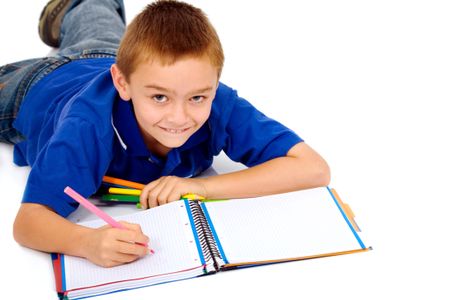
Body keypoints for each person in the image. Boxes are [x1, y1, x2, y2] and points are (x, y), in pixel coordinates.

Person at [0, 0, 330, 268]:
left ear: (214, 85)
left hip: (107, 56)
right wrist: (85, 242)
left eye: (198, 97)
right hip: (34, 87)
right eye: (160, 97)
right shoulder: (85, 128)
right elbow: (29, 221)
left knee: (97, 20)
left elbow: (313, 168)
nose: (179, 117)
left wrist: (200, 186)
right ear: (123, 84)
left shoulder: (212, 98)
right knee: (94, 36)